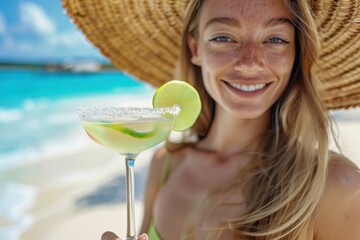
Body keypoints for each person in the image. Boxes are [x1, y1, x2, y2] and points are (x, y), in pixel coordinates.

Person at [62, 0, 360, 239]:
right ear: (195, 49)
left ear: (296, 51)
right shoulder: (164, 165)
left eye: (274, 39)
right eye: (223, 37)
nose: (249, 62)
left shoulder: (338, 189)